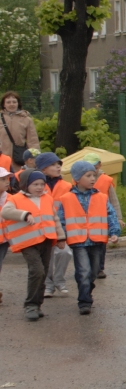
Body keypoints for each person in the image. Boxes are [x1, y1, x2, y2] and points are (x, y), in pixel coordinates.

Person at [55, 161, 120, 315]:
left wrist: (114, 232)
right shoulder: (66, 198)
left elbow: (111, 215)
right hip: (78, 241)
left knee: (94, 271)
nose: (92, 178)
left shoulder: (101, 197)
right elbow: (61, 219)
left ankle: (87, 288)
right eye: (88, 175)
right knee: (83, 271)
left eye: (94, 175)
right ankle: (84, 301)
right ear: (77, 178)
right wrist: (61, 237)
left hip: (97, 240)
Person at [1, 170, 64, 321]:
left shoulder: (47, 198)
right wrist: (24, 215)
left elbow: (54, 218)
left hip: (47, 240)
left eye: (42, 184)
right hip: (28, 242)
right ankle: (30, 305)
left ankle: (37, 304)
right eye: (35, 184)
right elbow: (6, 212)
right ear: (25, 185)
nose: (39, 187)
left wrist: (61, 237)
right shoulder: (16, 199)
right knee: (37, 270)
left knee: (43, 272)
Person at [35, 152, 72, 298]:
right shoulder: (37, 185)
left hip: (60, 227)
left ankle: (59, 280)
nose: (58, 167)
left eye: (59, 165)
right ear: (43, 169)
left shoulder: (67, 185)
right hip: (42, 228)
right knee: (47, 257)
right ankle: (49, 285)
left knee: (65, 253)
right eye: (53, 165)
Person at [82, 152, 122, 279]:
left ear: (99, 165)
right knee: (85, 245)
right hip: (86, 220)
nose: (92, 170)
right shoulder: (80, 179)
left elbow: (114, 201)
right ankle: (86, 267)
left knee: (101, 246)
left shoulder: (105, 180)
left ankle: (99, 268)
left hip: (102, 219)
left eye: (94, 166)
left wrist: (118, 218)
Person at [0, 91, 40, 171]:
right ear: (4, 104)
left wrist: (34, 158)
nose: (11, 104)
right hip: (2, 158)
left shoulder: (26, 119)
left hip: (19, 159)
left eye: (14, 102)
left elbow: (33, 141)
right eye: (8, 102)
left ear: (18, 103)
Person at [0, 167, 13, 305]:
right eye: (2, 179)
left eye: (7, 179)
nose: (7, 182)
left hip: (3, 241)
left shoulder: (11, 199)